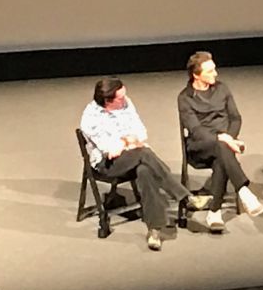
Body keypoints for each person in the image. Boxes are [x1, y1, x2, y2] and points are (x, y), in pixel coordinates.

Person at [79, 77, 199, 251]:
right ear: (107, 101)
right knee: (144, 153)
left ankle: (154, 230)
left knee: (145, 171)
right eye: (120, 98)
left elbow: (140, 131)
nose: (125, 100)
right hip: (108, 163)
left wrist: (126, 141)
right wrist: (128, 141)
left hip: (134, 155)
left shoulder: (126, 103)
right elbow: (109, 149)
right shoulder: (90, 118)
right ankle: (183, 196)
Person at [177, 51, 263, 232]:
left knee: (221, 156)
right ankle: (243, 190)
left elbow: (235, 118)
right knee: (222, 147)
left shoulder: (222, 89)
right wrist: (223, 139)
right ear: (196, 75)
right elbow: (196, 130)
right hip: (199, 147)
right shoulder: (185, 98)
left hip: (224, 144)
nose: (215, 74)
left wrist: (229, 138)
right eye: (210, 71)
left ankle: (215, 212)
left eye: (214, 69)